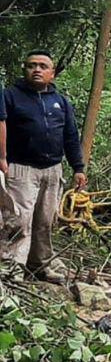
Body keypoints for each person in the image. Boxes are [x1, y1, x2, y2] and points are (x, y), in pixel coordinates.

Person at [0, 49, 86, 282]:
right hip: (20, 168)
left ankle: (39, 265)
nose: (36, 69)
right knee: (19, 220)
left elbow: (70, 135)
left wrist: (78, 167)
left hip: (52, 169)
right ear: (24, 70)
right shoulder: (10, 96)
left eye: (42, 66)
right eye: (31, 65)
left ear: (53, 73)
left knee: (45, 221)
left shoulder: (60, 102)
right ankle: (11, 268)